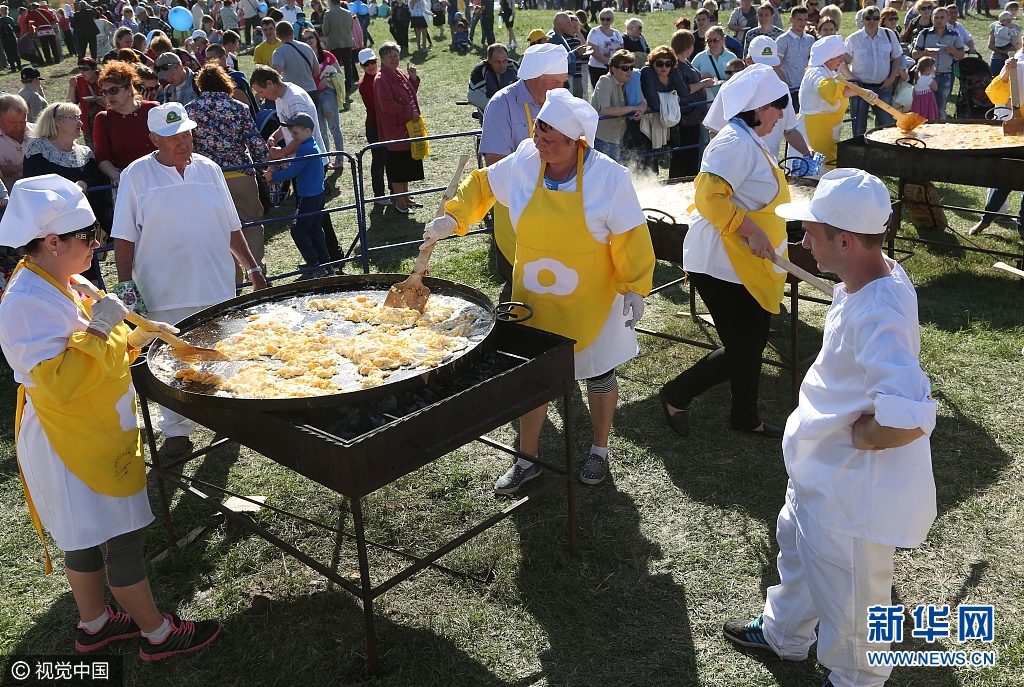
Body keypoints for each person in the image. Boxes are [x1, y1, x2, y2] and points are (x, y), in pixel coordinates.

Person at [724, 168, 936, 687]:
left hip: (850, 496)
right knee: (798, 554)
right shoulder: (871, 277)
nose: (801, 243)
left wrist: (865, 436)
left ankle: (857, 679)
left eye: (810, 233)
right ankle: (784, 634)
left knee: (854, 606)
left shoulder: (879, 313)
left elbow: (908, 417)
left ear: (845, 241)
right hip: (819, 471)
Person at [0, 175, 224, 662]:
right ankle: (158, 635)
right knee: (121, 539)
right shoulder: (25, 303)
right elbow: (60, 379)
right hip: (70, 439)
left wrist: (135, 337)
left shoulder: (62, 280)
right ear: (52, 241)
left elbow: (96, 348)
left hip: (90, 427)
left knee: (82, 537)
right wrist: (102, 328)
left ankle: (95, 625)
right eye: (89, 236)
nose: (96, 244)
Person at [421, 89, 655, 492]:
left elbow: (631, 233)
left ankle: (599, 450)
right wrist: (454, 218)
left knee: (598, 372)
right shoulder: (526, 158)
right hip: (534, 294)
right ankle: (526, 459)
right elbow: (483, 185)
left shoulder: (609, 177)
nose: (539, 144)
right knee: (532, 378)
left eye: (549, 140)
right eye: (537, 134)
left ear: (576, 142)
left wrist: (635, 286)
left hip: (593, 296)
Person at [111, 103, 267, 457]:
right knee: (169, 360)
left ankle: (227, 419)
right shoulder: (136, 175)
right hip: (163, 290)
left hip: (216, 284)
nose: (182, 142)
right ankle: (177, 431)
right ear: (154, 139)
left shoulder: (209, 169)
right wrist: (125, 286)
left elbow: (231, 227)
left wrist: (253, 269)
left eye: (186, 134)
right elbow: (124, 236)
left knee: (220, 350)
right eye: (173, 137)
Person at [659, 64, 791, 439]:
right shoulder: (734, 142)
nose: (781, 115)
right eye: (779, 107)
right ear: (759, 108)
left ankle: (745, 418)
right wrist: (751, 230)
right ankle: (675, 394)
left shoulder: (750, 139)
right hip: (721, 261)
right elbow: (709, 197)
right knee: (744, 348)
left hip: (743, 261)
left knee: (752, 340)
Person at [480, 42, 569, 300]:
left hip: (557, 207)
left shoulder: (561, 102)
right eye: (555, 82)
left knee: (555, 282)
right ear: (535, 77)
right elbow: (495, 163)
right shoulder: (502, 104)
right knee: (519, 281)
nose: (561, 88)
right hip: (516, 207)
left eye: (563, 82)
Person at [185, 63, 271, 284]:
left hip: (207, 180)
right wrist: (268, 166)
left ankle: (233, 278)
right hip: (241, 174)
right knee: (251, 223)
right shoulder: (238, 108)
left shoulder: (190, 110)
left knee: (219, 229)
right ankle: (256, 270)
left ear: (200, 86)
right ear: (225, 83)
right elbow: (255, 142)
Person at [704, 36, 811, 163]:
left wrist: (807, 152)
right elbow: (715, 131)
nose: (766, 70)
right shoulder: (730, 88)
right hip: (738, 167)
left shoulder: (782, 89)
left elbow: (790, 130)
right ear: (748, 61)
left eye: (770, 66)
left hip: (770, 167)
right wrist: (724, 162)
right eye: (761, 65)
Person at [23, 102, 112, 241]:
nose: (81, 123)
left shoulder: (85, 152)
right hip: (51, 224)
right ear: (58, 122)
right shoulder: (38, 146)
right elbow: (31, 182)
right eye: (74, 118)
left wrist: (84, 183)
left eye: (80, 118)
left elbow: (99, 179)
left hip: (82, 222)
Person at [264, 112, 331, 277]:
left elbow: (293, 172)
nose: (293, 137)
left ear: (307, 130)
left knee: (298, 230)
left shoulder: (306, 149)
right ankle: (325, 263)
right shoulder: (310, 146)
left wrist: (273, 176)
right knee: (315, 229)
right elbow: (299, 168)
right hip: (316, 194)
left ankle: (315, 265)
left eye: (295, 133)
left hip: (308, 196)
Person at [970, 53, 1024, 236]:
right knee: (1004, 178)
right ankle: (986, 220)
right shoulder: (1017, 63)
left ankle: (1023, 227)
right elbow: (996, 96)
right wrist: (1006, 73)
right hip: (1015, 131)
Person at [373, 41, 422, 214]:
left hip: (407, 128)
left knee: (406, 165)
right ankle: (400, 203)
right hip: (395, 131)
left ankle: (406, 197)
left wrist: (413, 79)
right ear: (382, 59)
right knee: (398, 168)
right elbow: (388, 106)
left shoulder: (399, 73)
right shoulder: (381, 79)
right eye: (390, 56)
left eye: (396, 55)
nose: (394, 59)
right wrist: (409, 113)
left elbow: (408, 95)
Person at [93, 61, 159, 188]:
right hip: (128, 183)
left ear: (129, 89)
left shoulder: (152, 109)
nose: (109, 96)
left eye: (113, 90)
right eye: (105, 92)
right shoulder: (103, 119)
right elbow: (102, 157)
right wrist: (117, 177)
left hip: (160, 177)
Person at [798, 35, 857, 170]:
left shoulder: (829, 72)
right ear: (828, 57)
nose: (842, 60)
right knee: (813, 171)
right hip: (813, 129)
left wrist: (862, 91)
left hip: (825, 130)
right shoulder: (817, 73)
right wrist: (860, 92)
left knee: (827, 168)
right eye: (839, 57)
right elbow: (829, 90)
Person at [845, 4, 902, 137]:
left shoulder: (889, 35)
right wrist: (852, 80)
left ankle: (884, 149)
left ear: (879, 19)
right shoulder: (853, 39)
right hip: (860, 90)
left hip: (882, 87)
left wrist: (892, 78)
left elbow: (897, 57)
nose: (872, 21)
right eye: (868, 18)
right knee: (859, 128)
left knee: (887, 126)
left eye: (875, 18)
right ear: (862, 20)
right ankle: (859, 150)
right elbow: (842, 62)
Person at [591, 48, 646, 160]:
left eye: (631, 67)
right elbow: (605, 110)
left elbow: (643, 103)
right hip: (603, 138)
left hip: (621, 136)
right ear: (614, 69)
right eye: (625, 68)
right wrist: (633, 108)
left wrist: (640, 111)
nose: (629, 71)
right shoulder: (605, 81)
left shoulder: (630, 81)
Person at [912, 5, 964, 119]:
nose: (939, 20)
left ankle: (941, 128)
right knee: (923, 107)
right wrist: (925, 52)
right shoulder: (924, 34)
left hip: (945, 76)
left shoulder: (954, 35)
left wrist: (953, 51)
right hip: (925, 77)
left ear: (947, 18)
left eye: (942, 17)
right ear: (932, 18)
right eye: (936, 17)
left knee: (941, 109)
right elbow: (914, 54)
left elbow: (961, 55)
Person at [302, 30, 343, 163]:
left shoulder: (327, 55)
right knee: (321, 131)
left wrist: (327, 79)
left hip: (327, 93)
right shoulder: (304, 58)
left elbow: (339, 73)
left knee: (334, 127)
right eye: (305, 39)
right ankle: (326, 160)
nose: (309, 40)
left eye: (311, 37)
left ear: (317, 38)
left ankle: (340, 159)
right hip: (312, 95)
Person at [358, 47, 392, 206]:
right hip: (375, 126)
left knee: (390, 159)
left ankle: (395, 191)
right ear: (361, 66)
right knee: (379, 161)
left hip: (386, 125)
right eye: (366, 64)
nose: (370, 66)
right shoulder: (365, 84)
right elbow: (375, 107)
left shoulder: (383, 76)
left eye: (372, 61)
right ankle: (379, 195)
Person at [272, 20, 322, 112]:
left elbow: (275, 73)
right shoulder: (306, 47)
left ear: (277, 35)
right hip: (312, 92)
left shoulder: (279, 52)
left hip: (294, 95)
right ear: (293, 32)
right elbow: (317, 70)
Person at [774, 5, 814, 110]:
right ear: (791, 19)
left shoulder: (810, 39)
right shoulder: (783, 40)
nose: (802, 23)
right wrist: (787, 86)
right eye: (799, 19)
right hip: (791, 90)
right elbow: (776, 66)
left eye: (805, 19)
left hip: (807, 87)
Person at [467, 43, 520, 112]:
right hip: (490, 111)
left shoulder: (514, 67)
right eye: (497, 62)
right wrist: (500, 107)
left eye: (504, 61)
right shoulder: (480, 70)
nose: (502, 65)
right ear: (489, 60)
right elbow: (473, 96)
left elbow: (523, 90)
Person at [691, 26, 738, 98]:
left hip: (728, 98)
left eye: (716, 40)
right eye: (709, 40)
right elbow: (690, 77)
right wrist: (701, 76)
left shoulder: (732, 57)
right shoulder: (700, 57)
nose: (712, 44)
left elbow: (739, 78)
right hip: (706, 100)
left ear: (723, 39)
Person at [0, 94, 32, 195]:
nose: (19, 127)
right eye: (12, 122)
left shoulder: (38, 133)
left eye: (22, 122)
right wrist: (12, 169)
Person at [322, 0, 356, 92]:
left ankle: (336, 82)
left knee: (334, 65)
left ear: (331, 2)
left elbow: (325, 30)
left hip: (335, 43)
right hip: (347, 42)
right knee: (348, 64)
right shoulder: (348, 13)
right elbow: (351, 28)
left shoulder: (328, 14)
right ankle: (349, 84)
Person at [587, 8, 622, 87]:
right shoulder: (595, 32)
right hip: (598, 68)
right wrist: (609, 62)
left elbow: (622, 49)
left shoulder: (616, 33)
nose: (605, 22)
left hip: (615, 68)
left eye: (607, 19)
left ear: (612, 20)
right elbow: (593, 51)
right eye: (602, 19)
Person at [911, 54, 940, 119]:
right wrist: (932, 76)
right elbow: (935, 88)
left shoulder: (917, 78)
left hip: (918, 100)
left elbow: (914, 92)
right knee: (928, 115)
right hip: (927, 101)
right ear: (929, 67)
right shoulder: (928, 78)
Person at [0, 5, 20, 72]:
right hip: (12, 36)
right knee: (15, 52)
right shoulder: (11, 19)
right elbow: (14, 27)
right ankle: (19, 66)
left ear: (1, 11)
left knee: (8, 53)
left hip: (4, 37)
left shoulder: (0, 20)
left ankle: (13, 68)